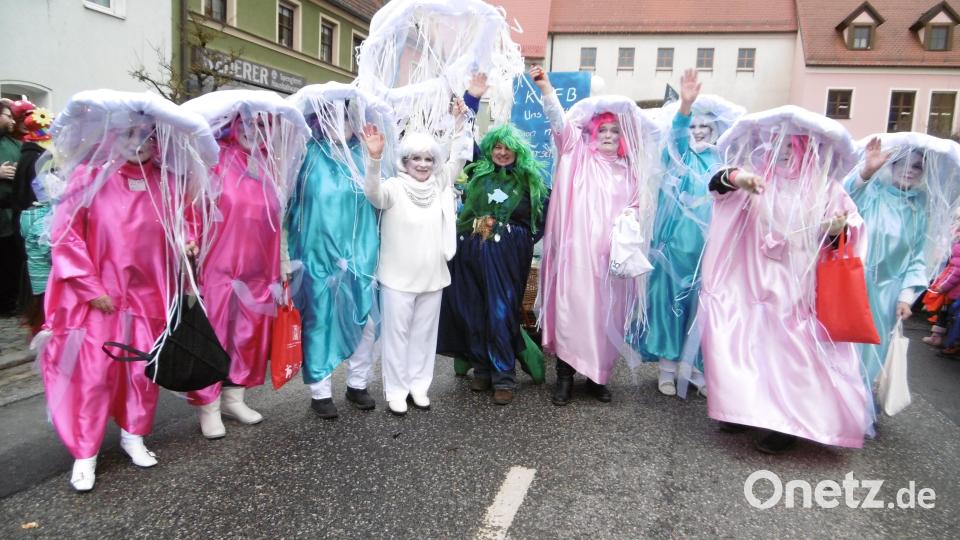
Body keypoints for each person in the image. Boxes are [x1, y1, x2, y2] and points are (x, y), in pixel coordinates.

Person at [41, 90, 218, 491]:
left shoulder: (166, 183)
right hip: (100, 300)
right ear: (114, 135)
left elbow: (184, 222)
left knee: (141, 371)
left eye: (148, 135)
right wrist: (89, 287)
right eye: (131, 134)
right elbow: (66, 237)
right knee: (94, 375)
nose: (140, 143)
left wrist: (187, 239)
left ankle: (133, 436)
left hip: (150, 296)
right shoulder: (90, 178)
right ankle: (84, 454)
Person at [699, 106, 871, 453]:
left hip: (794, 284)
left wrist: (836, 229)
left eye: (789, 147)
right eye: (774, 147)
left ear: (804, 148)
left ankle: (788, 422)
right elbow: (717, 185)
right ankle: (743, 407)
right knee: (740, 340)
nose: (780, 154)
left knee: (789, 348)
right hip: (746, 280)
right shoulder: (758, 178)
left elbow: (848, 227)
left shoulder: (826, 187)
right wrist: (738, 178)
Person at [529, 64, 659, 406]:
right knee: (574, 312)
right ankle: (566, 377)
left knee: (607, 316)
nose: (608, 136)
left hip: (610, 261)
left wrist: (631, 218)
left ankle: (597, 377)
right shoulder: (576, 155)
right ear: (592, 132)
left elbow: (636, 206)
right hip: (577, 257)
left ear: (622, 139)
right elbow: (559, 123)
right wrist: (546, 88)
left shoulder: (628, 173)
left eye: (615, 132)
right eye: (603, 130)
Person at [182, 90, 308, 438]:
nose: (256, 130)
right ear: (234, 125)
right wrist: (189, 236)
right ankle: (208, 404)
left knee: (249, 332)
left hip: (258, 269)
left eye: (262, 125)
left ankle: (234, 396)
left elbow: (277, 219)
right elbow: (192, 204)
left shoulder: (269, 168)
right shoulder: (214, 160)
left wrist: (282, 262)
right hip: (218, 266)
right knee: (216, 332)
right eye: (249, 123)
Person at [627, 69, 743, 397]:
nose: (700, 132)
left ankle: (694, 369)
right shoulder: (676, 156)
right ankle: (667, 369)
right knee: (669, 307)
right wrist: (686, 106)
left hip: (711, 252)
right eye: (695, 126)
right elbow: (678, 135)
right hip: (673, 251)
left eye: (706, 126)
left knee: (702, 311)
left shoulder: (722, 162)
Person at [286, 83, 395, 419]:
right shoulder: (305, 156)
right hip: (316, 256)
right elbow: (285, 202)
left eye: (344, 119)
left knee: (365, 321)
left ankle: (357, 383)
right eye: (329, 119)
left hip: (361, 255)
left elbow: (384, 200)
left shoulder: (366, 154)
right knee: (319, 319)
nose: (338, 126)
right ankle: (320, 390)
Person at [360, 98, 472, 416]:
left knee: (424, 337)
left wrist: (459, 122)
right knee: (396, 337)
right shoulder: (393, 187)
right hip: (397, 278)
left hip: (433, 276)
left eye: (427, 159)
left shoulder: (439, 184)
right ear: (405, 161)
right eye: (415, 159)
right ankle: (396, 390)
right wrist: (374, 158)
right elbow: (373, 194)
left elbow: (459, 157)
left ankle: (419, 386)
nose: (422, 164)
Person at [844, 133, 960, 406]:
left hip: (887, 296)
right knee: (843, 345)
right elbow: (846, 200)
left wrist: (906, 297)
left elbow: (916, 257)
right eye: (903, 163)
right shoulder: (874, 193)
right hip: (854, 286)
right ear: (891, 166)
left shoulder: (918, 210)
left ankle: (855, 405)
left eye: (917, 165)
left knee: (873, 351)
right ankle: (833, 403)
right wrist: (866, 172)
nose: (909, 169)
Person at [437, 123, 549, 405]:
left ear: (517, 151)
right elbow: (466, 142)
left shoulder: (529, 181)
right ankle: (482, 368)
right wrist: (464, 114)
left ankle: (504, 376)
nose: (502, 152)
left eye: (507, 148)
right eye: (497, 147)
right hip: (472, 250)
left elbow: (544, 216)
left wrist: (520, 238)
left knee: (501, 311)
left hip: (508, 254)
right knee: (473, 308)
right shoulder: (479, 174)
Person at [13, 107, 56, 334]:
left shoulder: (27, 155)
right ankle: (45, 325)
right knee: (45, 281)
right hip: (41, 221)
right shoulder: (38, 157)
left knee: (38, 280)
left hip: (32, 219)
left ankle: (41, 323)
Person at [0, 99, 29, 315]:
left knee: (11, 262)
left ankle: (10, 303)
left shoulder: (15, 143)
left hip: (10, 212)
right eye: (7, 116)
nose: (12, 120)